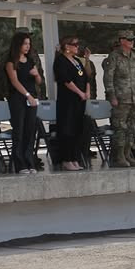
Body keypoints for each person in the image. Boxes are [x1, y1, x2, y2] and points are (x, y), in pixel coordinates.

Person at [103, 30, 135, 167]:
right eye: (129, 39)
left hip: (134, 98)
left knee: (132, 128)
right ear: (121, 41)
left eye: (133, 39)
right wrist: (112, 96)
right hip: (120, 98)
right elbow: (108, 78)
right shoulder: (114, 56)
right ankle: (119, 156)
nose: (132, 42)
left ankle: (128, 154)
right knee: (120, 128)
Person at [4, 31, 42, 174]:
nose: (27, 46)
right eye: (25, 43)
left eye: (29, 44)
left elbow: (39, 81)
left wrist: (36, 74)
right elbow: (14, 81)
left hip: (31, 99)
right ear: (18, 44)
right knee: (18, 131)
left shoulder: (31, 61)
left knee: (30, 130)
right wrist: (27, 95)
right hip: (18, 99)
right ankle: (19, 164)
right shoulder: (11, 62)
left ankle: (29, 161)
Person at [53, 35, 89, 171]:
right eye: (75, 44)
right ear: (67, 46)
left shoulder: (77, 61)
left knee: (77, 130)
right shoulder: (60, 61)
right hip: (68, 101)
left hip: (80, 101)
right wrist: (79, 92)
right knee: (67, 129)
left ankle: (75, 158)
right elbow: (66, 80)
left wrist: (86, 91)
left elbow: (86, 77)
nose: (77, 46)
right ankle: (66, 159)